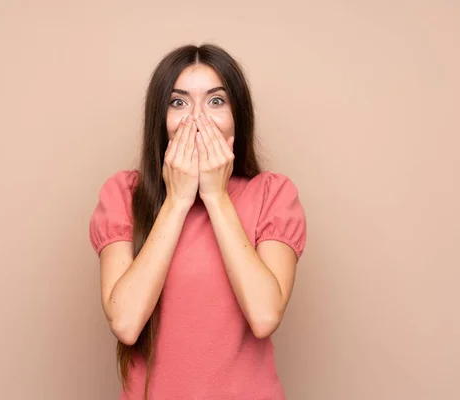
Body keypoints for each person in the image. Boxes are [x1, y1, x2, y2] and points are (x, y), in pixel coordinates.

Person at [89, 44, 307, 400]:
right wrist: (177, 199)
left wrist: (216, 197)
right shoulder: (123, 194)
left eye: (216, 101)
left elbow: (265, 315)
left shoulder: (273, 195)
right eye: (178, 103)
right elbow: (126, 323)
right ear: (160, 120)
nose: (197, 118)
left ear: (238, 116)